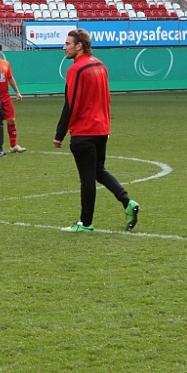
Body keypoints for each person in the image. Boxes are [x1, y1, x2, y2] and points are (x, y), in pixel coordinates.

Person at [54, 29, 139, 233]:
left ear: (79, 46)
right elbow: (106, 98)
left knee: (87, 178)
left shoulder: (76, 69)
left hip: (84, 130)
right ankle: (127, 202)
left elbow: (71, 103)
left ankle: (86, 223)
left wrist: (60, 133)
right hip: (102, 129)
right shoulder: (100, 65)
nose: (64, 47)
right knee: (98, 171)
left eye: (68, 43)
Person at [0, 43, 26, 153]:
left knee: (11, 120)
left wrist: (17, 92)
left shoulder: (6, 64)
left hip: (5, 96)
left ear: (1, 51)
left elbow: (10, 78)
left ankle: (13, 146)